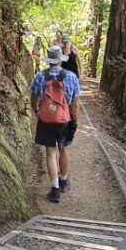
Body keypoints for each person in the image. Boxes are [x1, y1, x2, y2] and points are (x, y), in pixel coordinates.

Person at [30, 45, 81, 203]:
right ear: (60, 60)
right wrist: (74, 120)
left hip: (46, 119)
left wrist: (37, 110)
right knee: (63, 149)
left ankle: (55, 188)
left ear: (49, 60)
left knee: (50, 153)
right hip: (64, 119)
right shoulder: (71, 77)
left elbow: (33, 98)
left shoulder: (40, 76)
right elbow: (76, 104)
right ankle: (64, 180)